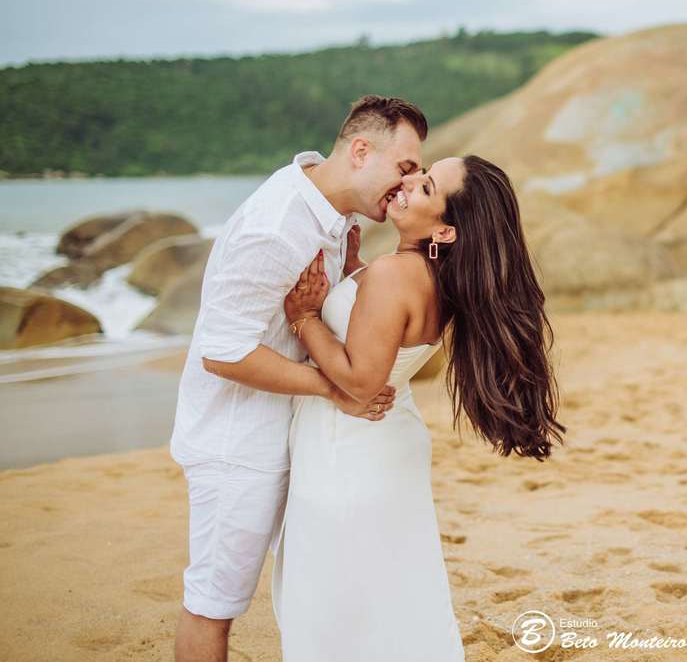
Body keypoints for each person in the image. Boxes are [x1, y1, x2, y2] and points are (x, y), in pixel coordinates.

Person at [272, 155, 566, 661]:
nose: (407, 181)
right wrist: (351, 274)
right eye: (419, 171)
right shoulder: (425, 275)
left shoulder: (394, 274)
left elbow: (362, 383)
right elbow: (384, 335)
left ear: (446, 232)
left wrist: (304, 319)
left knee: (334, 601)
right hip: (383, 442)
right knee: (388, 588)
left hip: (351, 447)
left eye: (425, 186)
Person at [171, 96, 428, 662]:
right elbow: (223, 351)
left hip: (291, 436)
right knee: (215, 603)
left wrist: (349, 269)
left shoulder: (332, 213)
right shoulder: (277, 227)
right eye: (404, 168)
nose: (407, 184)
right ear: (361, 151)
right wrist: (335, 390)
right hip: (236, 443)